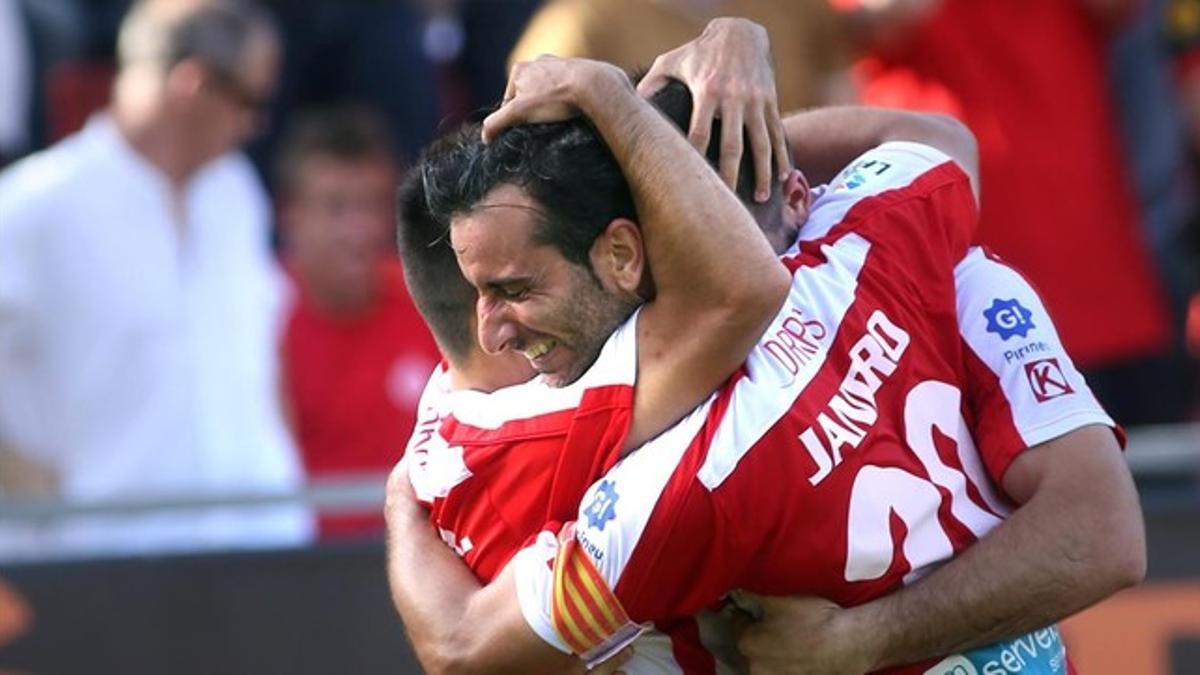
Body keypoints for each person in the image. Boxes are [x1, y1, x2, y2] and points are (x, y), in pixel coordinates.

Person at [386, 30, 1141, 675]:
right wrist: (722, 86)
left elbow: (461, 646)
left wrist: (402, 501)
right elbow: (939, 139)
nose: (496, 323)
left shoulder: (676, 473)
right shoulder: (899, 237)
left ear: (634, 251)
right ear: (796, 186)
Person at [0, 0, 310, 559]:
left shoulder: (234, 191)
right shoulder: (35, 206)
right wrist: (26, 489)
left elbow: (264, 354)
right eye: (251, 100)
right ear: (193, 85)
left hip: (262, 551)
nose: (255, 124)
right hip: (101, 569)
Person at [275, 105, 441, 539]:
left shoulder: (433, 303)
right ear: (290, 216)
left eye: (372, 205)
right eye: (336, 208)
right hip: (296, 566)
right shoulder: (260, 321)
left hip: (418, 559)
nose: (360, 230)